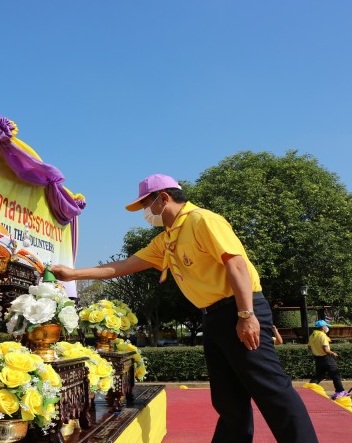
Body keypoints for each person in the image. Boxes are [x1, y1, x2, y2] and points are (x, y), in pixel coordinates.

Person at [51, 174, 317, 442]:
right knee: (227, 399)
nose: (145, 213)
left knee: (270, 389)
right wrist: (73, 274)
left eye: (146, 205)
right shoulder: (166, 239)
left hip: (238, 308)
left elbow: (236, 264)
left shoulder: (202, 220)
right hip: (213, 316)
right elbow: (124, 265)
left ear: (163, 198)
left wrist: (246, 314)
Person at [307, 320, 348, 399]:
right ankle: (340, 392)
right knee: (335, 375)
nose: (327, 328)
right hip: (327, 358)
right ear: (323, 327)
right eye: (326, 326)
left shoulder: (312, 336)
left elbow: (309, 348)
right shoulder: (322, 336)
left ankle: (308, 390)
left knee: (318, 376)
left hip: (318, 359)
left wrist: (316, 351)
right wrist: (333, 353)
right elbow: (326, 349)